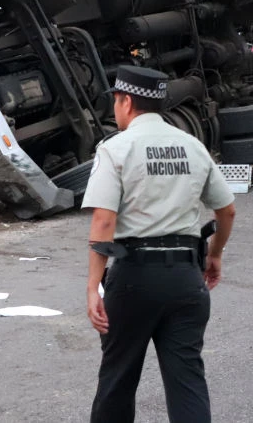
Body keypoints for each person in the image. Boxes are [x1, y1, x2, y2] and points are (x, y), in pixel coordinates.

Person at [82, 65, 236, 422]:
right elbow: (226, 210)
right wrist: (215, 255)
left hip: (135, 277)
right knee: (187, 384)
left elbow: (103, 221)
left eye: (116, 102)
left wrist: (93, 287)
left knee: (118, 380)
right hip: (185, 278)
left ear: (126, 102)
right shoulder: (192, 146)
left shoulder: (115, 149)